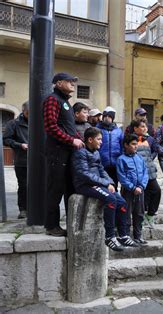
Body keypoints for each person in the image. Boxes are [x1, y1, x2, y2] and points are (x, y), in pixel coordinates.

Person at [72, 127, 137, 251]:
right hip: (84, 185)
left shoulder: (96, 152)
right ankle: (110, 237)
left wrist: (110, 182)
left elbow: (101, 170)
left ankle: (123, 235)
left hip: (98, 183)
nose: (101, 142)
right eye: (99, 139)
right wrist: (105, 184)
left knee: (122, 203)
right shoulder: (80, 152)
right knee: (111, 199)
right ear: (90, 140)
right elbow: (84, 174)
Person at [43, 72, 84, 236]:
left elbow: (70, 128)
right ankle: (51, 226)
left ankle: (70, 223)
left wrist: (81, 140)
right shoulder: (52, 99)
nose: (73, 84)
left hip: (68, 151)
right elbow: (50, 127)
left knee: (69, 188)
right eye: (70, 81)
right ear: (59, 83)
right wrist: (71, 140)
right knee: (55, 189)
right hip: (57, 152)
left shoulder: (65, 102)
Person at [117, 133, 150, 245]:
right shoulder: (121, 159)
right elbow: (122, 177)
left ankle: (138, 236)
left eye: (136, 144)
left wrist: (141, 186)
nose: (136, 146)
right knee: (126, 213)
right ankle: (126, 236)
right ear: (126, 145)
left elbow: (145, 173)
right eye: (133, 144)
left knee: (139, 213)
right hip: (128, 192)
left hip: (140, 191)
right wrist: (132, 187)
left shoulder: (139, 158)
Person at [129, 119, 161, 229]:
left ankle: (150, 215)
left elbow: (154, 150)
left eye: (145, 126)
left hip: (150, 171)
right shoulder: (130, 140)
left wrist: (150, 160)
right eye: (141, 126)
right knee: (141, 197)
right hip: (138, 173)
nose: (144, 128)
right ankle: (140, 219)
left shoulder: (149, 139)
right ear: (135, 128)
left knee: (156, 191)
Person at [3, 101, 29, 219]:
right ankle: (23, 209)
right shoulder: (13, 123)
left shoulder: (39, 123)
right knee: (23, 185)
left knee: (39, 185)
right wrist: (20, 145)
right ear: (23, 111)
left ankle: (36, 208)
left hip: (38, 161)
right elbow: (6, 140)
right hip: (22, 160)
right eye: (29, 113)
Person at [97, 106, 123, 187]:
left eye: (109, 116)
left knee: (114, 186)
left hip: (115, 164)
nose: (107, 118)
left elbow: (122, 146)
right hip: (102, 164)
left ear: (112, 118)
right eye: (105, 116)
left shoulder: (118, 131)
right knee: (103, 186)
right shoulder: (97, 130)